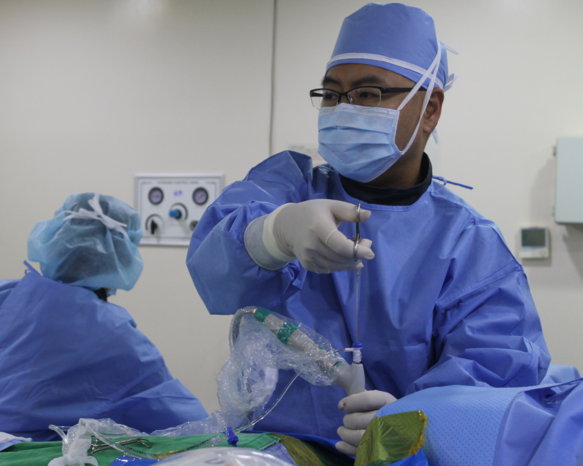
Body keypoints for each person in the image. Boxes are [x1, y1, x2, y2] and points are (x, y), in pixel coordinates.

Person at [186, 3, 550, 455]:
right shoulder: (284, 188)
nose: (343, 109)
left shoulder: (468, 245)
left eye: (368, 93)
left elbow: (494, 384)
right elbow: (212, 273)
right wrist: (273, 233)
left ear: (430, 109)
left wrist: (414, 424)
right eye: (331, 94)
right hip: (269, 454)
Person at [0, 193, 208, 440]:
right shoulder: (114, 333)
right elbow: (185, 424)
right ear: (122, 258)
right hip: (5, 456)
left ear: (54, 239)